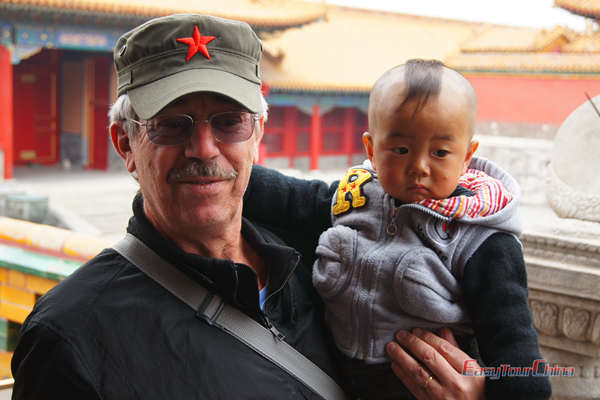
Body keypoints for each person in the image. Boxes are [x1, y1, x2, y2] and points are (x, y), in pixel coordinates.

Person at [11, 15, 486, 399]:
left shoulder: (335, 256)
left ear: (258, 134)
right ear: (126, 144)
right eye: (172, 125)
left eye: (228, 122)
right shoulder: (71, 335)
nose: (203, 148)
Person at [243, 60, 551, 399]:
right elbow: (290, 198)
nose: (419, 166)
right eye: (401, 149)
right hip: (332, 381)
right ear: (372, 150)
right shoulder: (354, 197)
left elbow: (515, 343)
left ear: (466, 156)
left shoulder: (480, 239)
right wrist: (232, 175)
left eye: (440, 152)